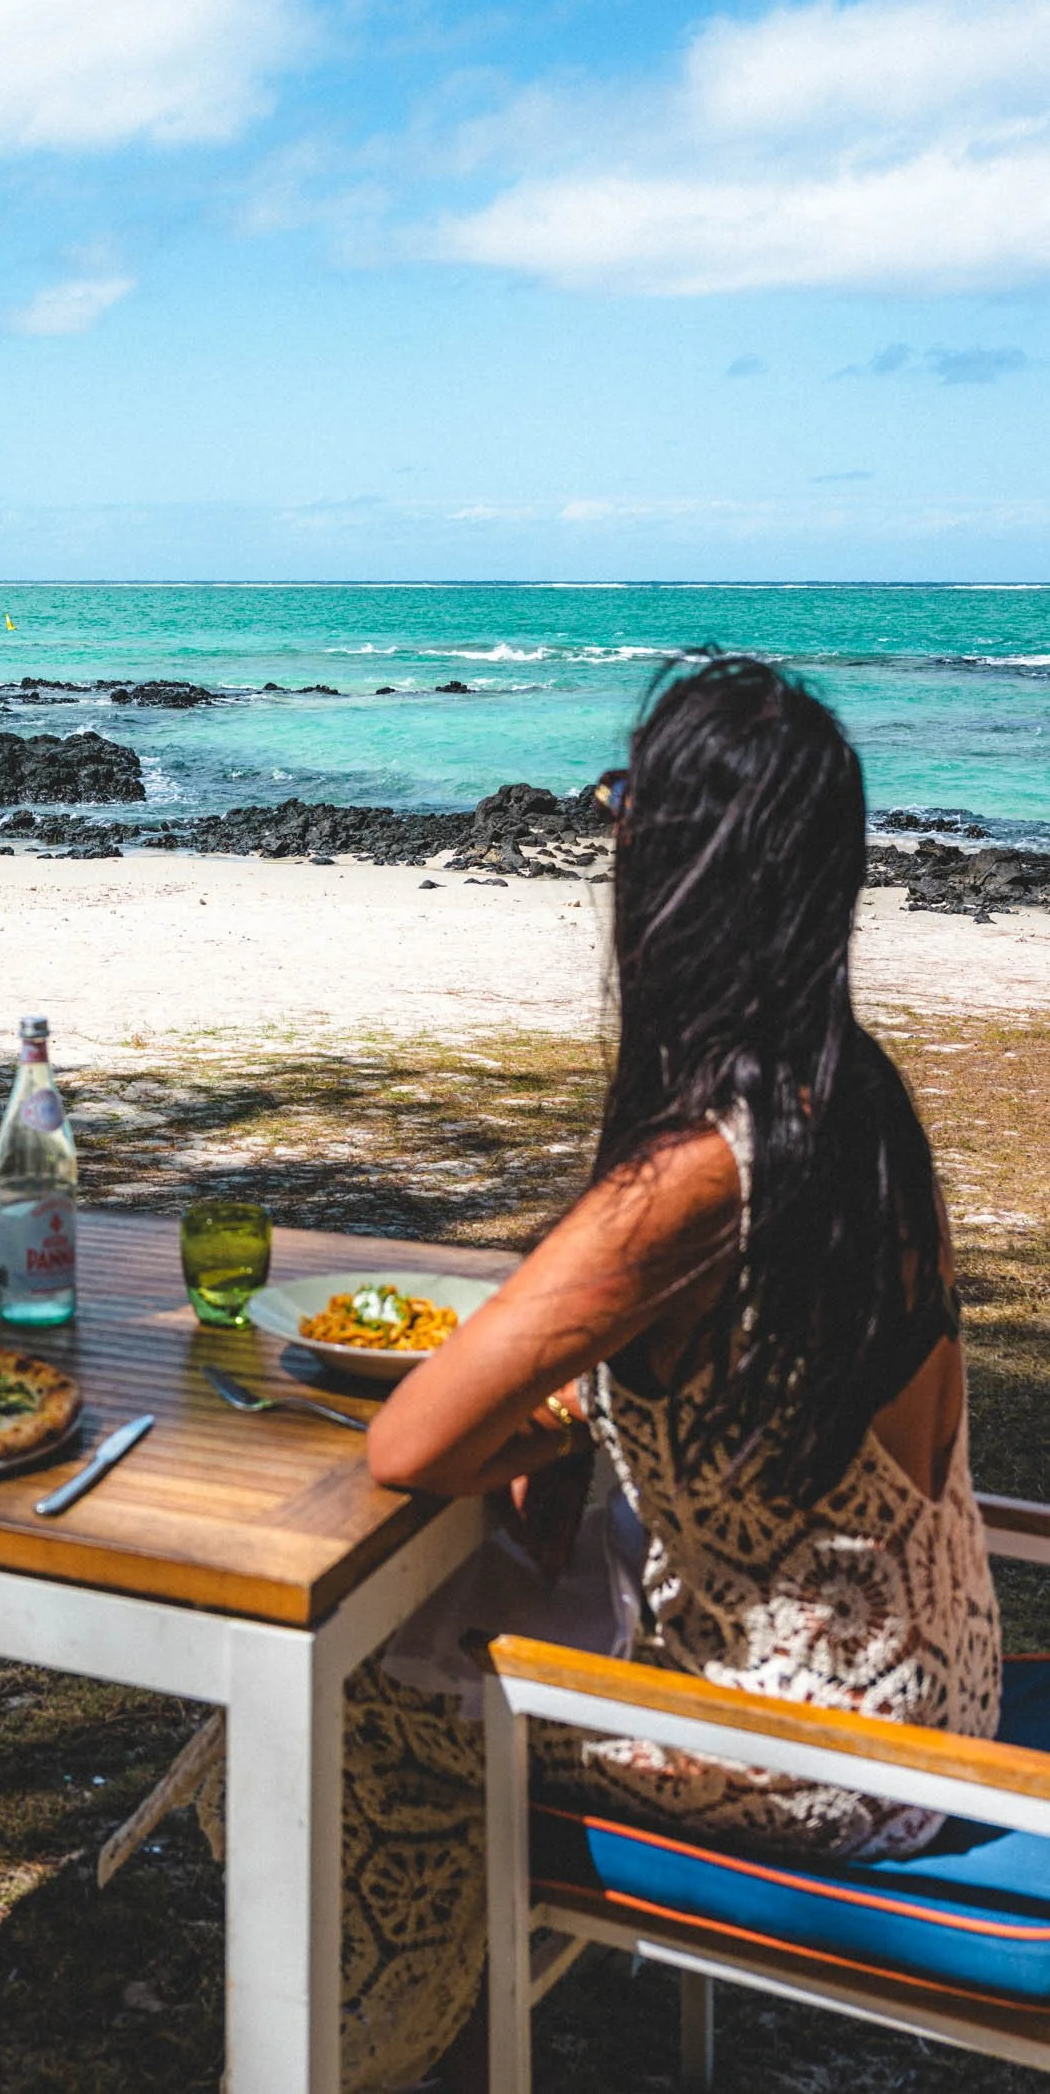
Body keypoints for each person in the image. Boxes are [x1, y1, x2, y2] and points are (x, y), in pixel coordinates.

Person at [342, 657, 1001, 2091]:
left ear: (685, 871)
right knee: (496, 1604)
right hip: (943, 1696)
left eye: (628, 802)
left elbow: (409, 1442)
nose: (611, 831)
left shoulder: (699, 1178)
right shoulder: (860, 1103)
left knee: (350, 1695)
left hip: (818, 1753)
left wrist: (531, 1413)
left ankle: (365, 2055)